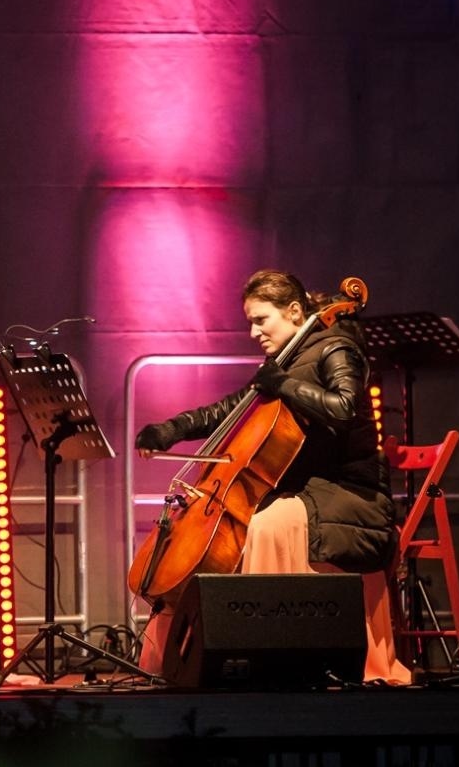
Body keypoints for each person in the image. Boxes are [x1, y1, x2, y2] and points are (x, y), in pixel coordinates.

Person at [133, 268, 410, 685]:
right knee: (229, 532)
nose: (252, 331)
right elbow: (231, 409)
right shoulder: (284, 361)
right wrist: (172, 429)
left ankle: (271, 659)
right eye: (249, 321)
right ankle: (190, 662)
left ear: (295, 311)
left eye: (261, 319)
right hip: (306, 490)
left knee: (263, 526)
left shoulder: (338, 348)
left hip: (350, 493)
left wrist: (284, 385)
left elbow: (345, 406)